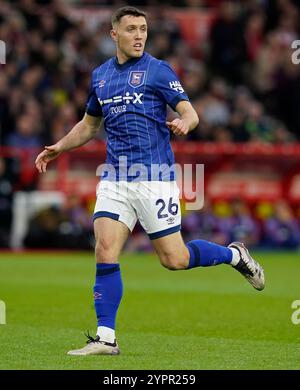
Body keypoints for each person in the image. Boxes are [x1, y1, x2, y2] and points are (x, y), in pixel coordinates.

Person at [35, 6, 265, 356]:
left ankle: (234, 255)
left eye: (143, 28)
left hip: (154, 178)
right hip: (114, 177)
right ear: (114, 35)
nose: (139, 35)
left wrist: (186, 122)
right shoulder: (100, 76)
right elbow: (89, 125)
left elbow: (189, 111)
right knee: (105, 248)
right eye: (131, 29)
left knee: (175, 259)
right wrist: (58, 148)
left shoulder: (158, 71)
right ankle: (106, 337)